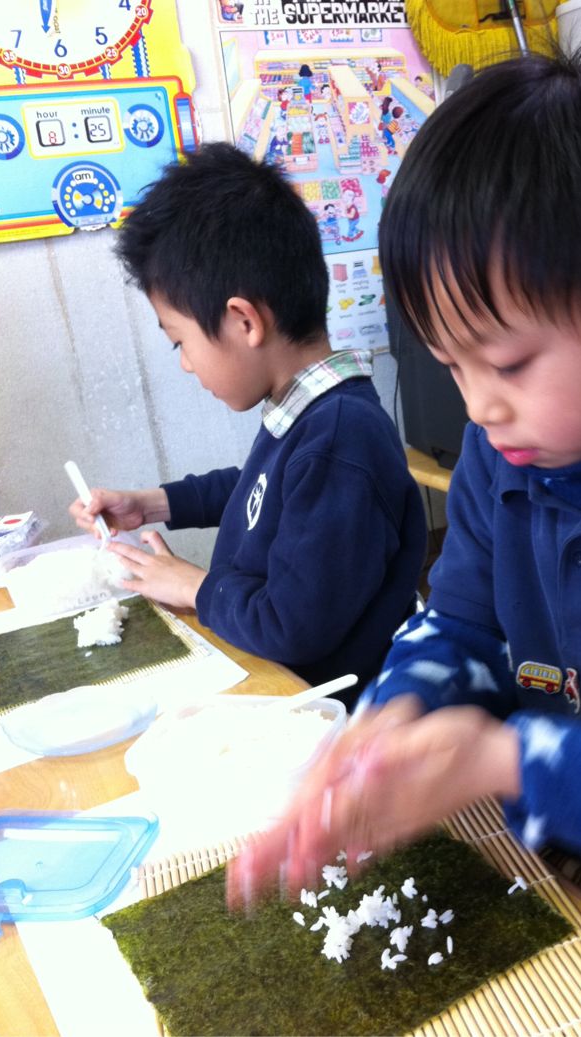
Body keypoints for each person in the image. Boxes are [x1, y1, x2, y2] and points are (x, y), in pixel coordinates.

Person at [226, 48, 581, 1014]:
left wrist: (504, 760)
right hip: (560, 861)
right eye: (452, 365)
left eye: (509, 364)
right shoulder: (503, 453)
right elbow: (461, 625)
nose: (479, 407)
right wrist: (394, 717)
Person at [70, 143, 426, 698]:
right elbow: (261, 491)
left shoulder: (340, 439)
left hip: (326, 712)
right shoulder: (307, 413)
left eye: (180, 342)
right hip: (274, 680)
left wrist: (196, 588)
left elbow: (292, 627)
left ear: (244, 321)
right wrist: (153, 504)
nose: (186, 364)